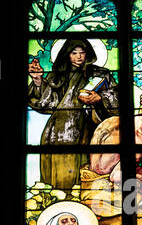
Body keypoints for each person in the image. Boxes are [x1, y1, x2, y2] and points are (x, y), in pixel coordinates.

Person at [28, 38, 119, 190]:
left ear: (88, 54)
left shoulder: (101, 73)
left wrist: (100, 98)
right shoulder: (57, 75)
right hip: (57, 131)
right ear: (67, 54)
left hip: (89, 128)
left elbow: (117, 99)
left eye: (82, 53)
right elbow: (46, 103)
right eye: (74, 53)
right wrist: (38, 80)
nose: (79, 57)